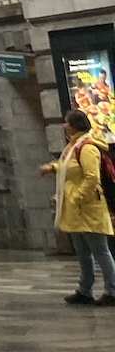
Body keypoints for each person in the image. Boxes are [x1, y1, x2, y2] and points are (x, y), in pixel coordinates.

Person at [39, 108, 115, 306]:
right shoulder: (73, 146)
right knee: (82, 253)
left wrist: (76, 197)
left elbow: (92, 177)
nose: (64, 125)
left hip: (88, 209)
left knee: (101, 251)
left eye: (66, 122)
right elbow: (68, 167)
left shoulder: (87, 148)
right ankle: (85, 290)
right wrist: (52, 167)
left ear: (73, 125)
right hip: (75, 211)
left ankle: (112, 290)